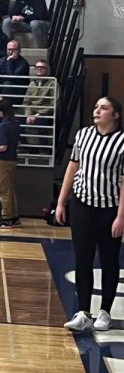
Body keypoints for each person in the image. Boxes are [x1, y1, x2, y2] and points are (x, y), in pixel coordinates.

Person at [55, 96, 124, 333]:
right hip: (82, 204)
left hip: (110, 208)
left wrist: (121, 216)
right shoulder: (83, 135)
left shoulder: (122, 141)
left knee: (109, 260)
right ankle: (83, 312)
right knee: (82, 259)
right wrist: (62, 202)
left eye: (103, 108)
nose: (97, 111)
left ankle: (105, 311)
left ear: (115, 115)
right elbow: (73, 167)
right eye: (95, 107)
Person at [0, 98, 22, 229]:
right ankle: (14, 217)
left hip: (3, 160)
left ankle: (6, 218)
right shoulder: (16, 124)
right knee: (10, 189)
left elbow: (2, 147)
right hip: (13, 159)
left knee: (3, 190)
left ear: (1, 111)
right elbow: (17, 143)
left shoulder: (3, 125)